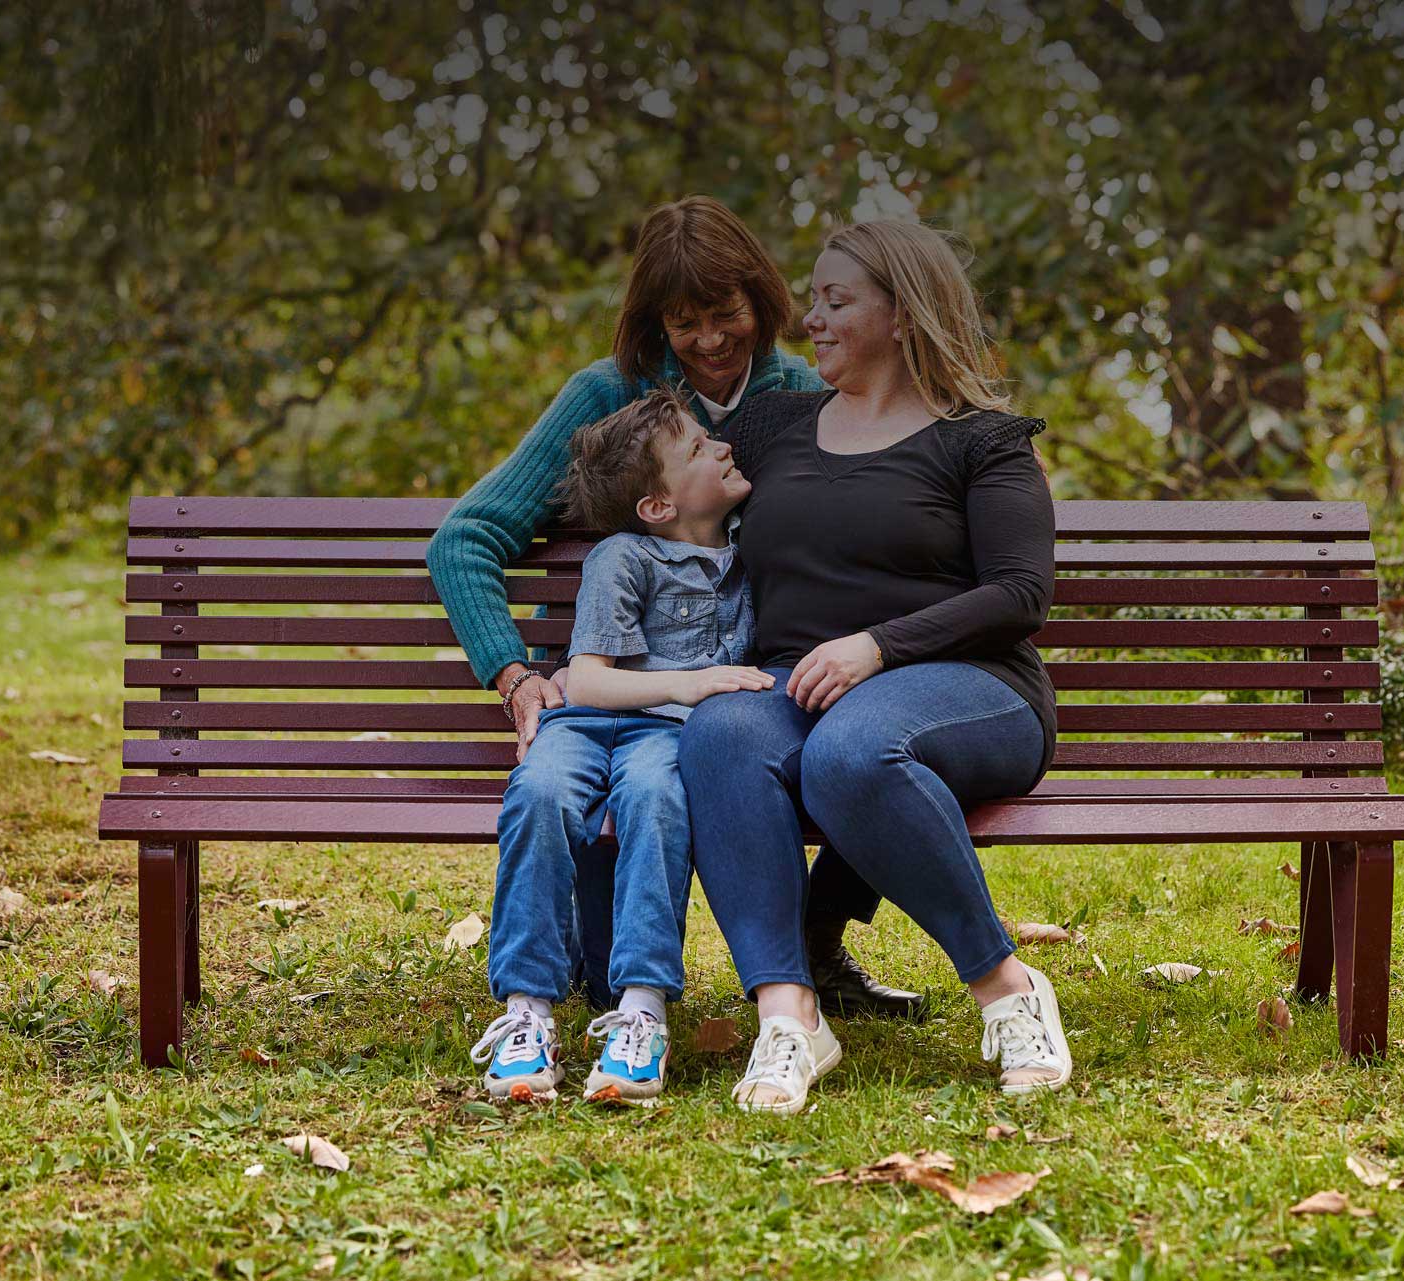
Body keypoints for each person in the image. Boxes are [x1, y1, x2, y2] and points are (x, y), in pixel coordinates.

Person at [427, 195, 922, 1018]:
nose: (710, 339)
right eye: (683, 321)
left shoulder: (805, 391)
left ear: (760, 301)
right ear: (654, 321)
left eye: (725, 312)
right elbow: (466, 536)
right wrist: (516, 677)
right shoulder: (610, 400)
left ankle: (818, 939)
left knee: (871, 728)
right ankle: (588, 978)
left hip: (776, 670)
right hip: (638, 702)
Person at [680, 219, 1070, 1116]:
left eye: (835, 299)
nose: (809, 317)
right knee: (722, 731)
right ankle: (790, 1015)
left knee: (851, 750)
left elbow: (1020, 594)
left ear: (902, 313)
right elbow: (656, 459)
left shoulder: (983, 440)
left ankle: (1008, 988)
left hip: (970, 688)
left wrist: (878, 646)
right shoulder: (774, 425)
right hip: (795, 684)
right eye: (811, 298)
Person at [466, 391, 774, 1102]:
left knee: (659, 801)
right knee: (539, 797)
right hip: (584, 725)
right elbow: (594, 685)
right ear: (658, 507)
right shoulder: (624, 556)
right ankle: (526, 1013)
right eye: (699, 448)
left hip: (663, 740)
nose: (723, 447)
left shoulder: (749, 557)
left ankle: (641, 1010)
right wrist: (694, 683)